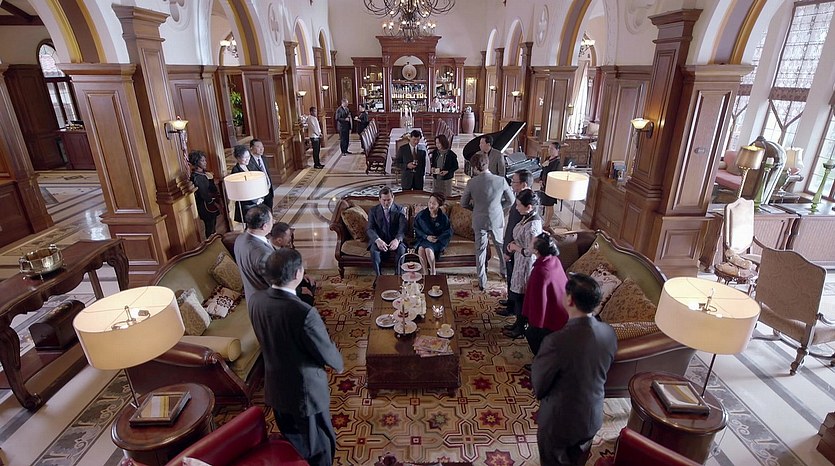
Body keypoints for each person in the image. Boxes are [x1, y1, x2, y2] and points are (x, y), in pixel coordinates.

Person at [249, 248, 344, 466]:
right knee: (320, 446)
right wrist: (338, 364)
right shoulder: (303, 312)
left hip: (276, 390)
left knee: (293, 442)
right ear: (297, 274)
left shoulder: (256, 300)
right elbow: (324, 349)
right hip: (305, 394)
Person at [532, 273, 617, 466]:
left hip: (560, 421)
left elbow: (539, 385)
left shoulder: (556, 341)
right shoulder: (609, 332)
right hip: (592, 415)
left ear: (569, 300)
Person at [461, 152, 515, 291]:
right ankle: (504, 272)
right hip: (496, 218)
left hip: (479, 220)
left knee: (480, 250)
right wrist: (499, 207)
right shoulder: (500, 180)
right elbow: (511, 200)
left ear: (474, 167)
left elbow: (463, 203)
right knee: (500, 247)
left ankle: (482, 281)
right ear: (488, 164)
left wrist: (475, 208)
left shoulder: (472, 183)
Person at [503, 189, 543, 339]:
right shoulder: (526, 217)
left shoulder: (533, 226)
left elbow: (531, 251)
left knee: (520, 296)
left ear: (529, 207)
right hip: (519, 261)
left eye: (519, 205)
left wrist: (515, 247)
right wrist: (513, 245)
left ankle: (521, 328)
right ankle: (517, 323)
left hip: (526, 265)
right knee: (517, 295)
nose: (516, 207)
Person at [522, 232, 569, 356]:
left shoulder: (540, 271)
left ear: (536, 251)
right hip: (563, 310)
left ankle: (542, 360)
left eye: (531, 242)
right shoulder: (554, 260)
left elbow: (539, 302)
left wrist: (534, 323)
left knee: (531, 334)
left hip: (554, 319)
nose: (529, 243)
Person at [497, 169, 533, 318]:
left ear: (523, 184)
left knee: (515, 280)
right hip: (511, 246)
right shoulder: (520, 198)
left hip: (516, 250)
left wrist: (509, 251)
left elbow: (518, 232)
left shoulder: (527, 203)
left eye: (514, 182)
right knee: (511, 278)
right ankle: (510, 302)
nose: (511, 184)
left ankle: (512, 308)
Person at [270, 221, 317, 306]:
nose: (290, 238)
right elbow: (277, 282)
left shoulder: (282, 245)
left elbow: (291, 262)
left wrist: (303, 274)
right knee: (307, 298)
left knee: (309, 283)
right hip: (280, 287)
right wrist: (299, 290)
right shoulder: (269, 255)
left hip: (288, 276)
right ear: (279, 240)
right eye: (288, 236)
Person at [233, 204, 274, 301]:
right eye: (272, 221)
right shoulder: (263, 253)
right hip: (267, 303)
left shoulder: (239, 239)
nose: (273, 222)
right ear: (264, 226)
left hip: (251, 298)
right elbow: (276, 284)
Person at [367, 187, 407, 281]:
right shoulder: (373, 211)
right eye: (384, 200)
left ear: (393, 198)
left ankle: (398, 276)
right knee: (374, 251)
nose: (386, 203)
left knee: (401, 250)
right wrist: (377, 240)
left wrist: (397, 240)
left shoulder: (400, 210)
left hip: (395, 239)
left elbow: (402, 229)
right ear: (379, 199)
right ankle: (378, 277)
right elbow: (370, 229)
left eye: (388, 200)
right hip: (380, 239)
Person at [414, 192, 453, 275]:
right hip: (424, 239)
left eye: (434, 204)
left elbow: (448, 231)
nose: (431, 205)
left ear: (439, 205)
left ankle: (433, 271)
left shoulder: (443, 217)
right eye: (430, 202)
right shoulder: (421, 215)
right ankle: (425, 271)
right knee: (420, 249)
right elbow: (416, 229)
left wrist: (438, 238)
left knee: (428, 250)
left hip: (437, 240)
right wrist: (426, 236)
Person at [188, 150, 220, 238]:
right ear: (196, 162)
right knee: (209, 226)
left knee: (213, 224)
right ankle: (211, 242)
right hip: (205, 205)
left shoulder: (204, 173)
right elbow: (204, 194)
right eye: (202, 161)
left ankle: (214, 240)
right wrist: (214, 203)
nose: (205, 162)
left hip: (211, 203)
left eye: (205, 160)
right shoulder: (197, 177)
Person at [231, 144, 264, 223]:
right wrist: (255, 200)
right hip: (247, 203)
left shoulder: (251, 165)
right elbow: (242, 189)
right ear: (238, 158)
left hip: (258, 198)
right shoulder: (236, 170)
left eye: (248, 156)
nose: (247, 159)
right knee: (250, 222)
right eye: (244, 157)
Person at [539, 142, 563, 229]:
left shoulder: (557, 162)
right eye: (549, 148)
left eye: (552, 149)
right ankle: (545, 221)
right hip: (544, 185)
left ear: (557, 150)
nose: (549, 150)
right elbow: (543, 170)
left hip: (551, 186)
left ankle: (547, 223)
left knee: (550, 205)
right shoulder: (548, 158)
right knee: (546, 204)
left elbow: (554, 175)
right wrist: (541, 179)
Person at [248, 138, 274, 210]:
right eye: (258, 147)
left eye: (262, 147)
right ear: (251, 148)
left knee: (269, 209)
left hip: (268, 190)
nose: (261, 149)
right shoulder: (249, 162)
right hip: (258, 192)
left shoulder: (264, 158)